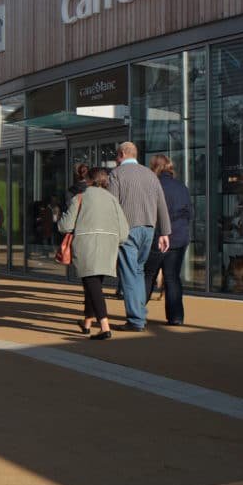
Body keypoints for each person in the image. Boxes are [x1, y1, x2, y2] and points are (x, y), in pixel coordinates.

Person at [58, 167, 130, 340]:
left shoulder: (80, 197)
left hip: (86, 243)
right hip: (108, 244)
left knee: (92, 284)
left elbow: (65, 226)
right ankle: (87, 323)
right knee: (93, 284)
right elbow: (124, 231)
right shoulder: (113, 199)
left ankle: (104, 327)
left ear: (89, 180)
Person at [108, 142, 170, 332]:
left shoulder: (116, 174)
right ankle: (139, 313)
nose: (116, 159)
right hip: (149, 228)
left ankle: (136, 319)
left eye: (117, 156)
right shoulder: (150, 175)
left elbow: (112, 204)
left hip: (127, 227)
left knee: (128, 273)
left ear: (121, 154)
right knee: (138, 271)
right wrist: (165, 232)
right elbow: (161, 203)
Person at [142, 155, 193, 326]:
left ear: (154, 168)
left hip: (157, 236)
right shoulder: (182, 187)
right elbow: (190, 213)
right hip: (179, 237)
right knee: (172, 278)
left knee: (149, 275)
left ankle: (137, 311)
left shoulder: (152, 186)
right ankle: (176, 317)